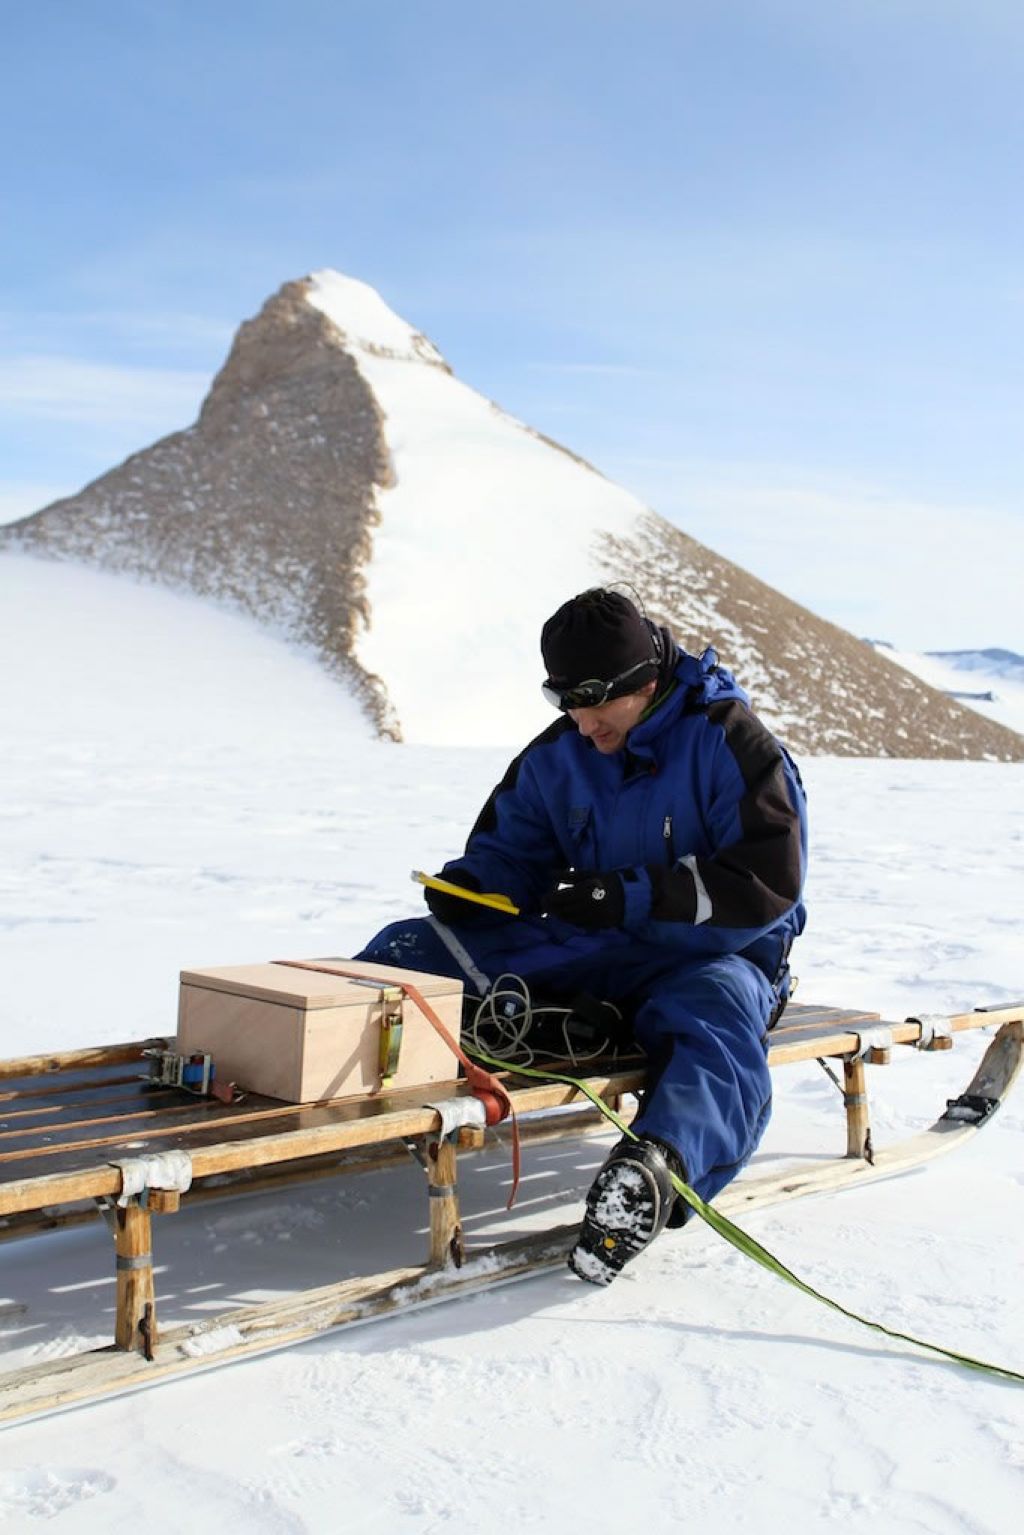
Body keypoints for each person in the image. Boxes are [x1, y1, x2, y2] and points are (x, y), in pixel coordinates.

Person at [354, 587, 808, 1285]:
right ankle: (307, 1079)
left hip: (712, 956)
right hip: (593, 948)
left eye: (598, 705)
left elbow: (768, 883)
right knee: (411, 946)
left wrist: (631, 894)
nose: (583, 722)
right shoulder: (562, 751)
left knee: (713, 1024)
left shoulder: (727, 740)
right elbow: (516, 848)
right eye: (566, 702)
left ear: (646, 682)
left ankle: (653, 1173)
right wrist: (478, 887)